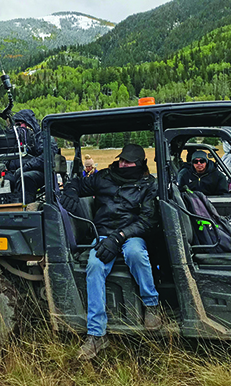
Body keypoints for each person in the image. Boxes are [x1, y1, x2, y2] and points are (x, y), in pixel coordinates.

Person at [59, 144, 161, 360]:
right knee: (95, 266)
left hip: (130, 235)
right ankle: (96, 334)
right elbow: (78, 183)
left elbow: (147, 220)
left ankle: (151, 305)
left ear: (140, 164)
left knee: (135, 254)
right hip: (103, 235)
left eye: (128, 162)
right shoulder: (104, 176)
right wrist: (70, 191)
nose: (123, 164)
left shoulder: (148, 184)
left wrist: (120, 237)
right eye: (121, 160)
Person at [6, 109, 59, 204]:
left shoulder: (43, 137)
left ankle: (25, 210)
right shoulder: (14, 140)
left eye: (20, 123)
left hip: (40, 173)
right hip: (16, 173)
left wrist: (26, 167)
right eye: (16, 124)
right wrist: (2, 165)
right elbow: (6, 156)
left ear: (29, 123)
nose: (18, 127)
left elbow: (46, 158)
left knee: (26, 178)